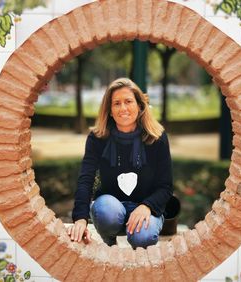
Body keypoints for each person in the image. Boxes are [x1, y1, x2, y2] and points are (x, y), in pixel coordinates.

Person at [67, 78, 173, 249]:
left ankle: (137, 250)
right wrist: (80, 219)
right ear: (109, 110)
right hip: (111, 207)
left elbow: (166, 186)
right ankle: (109, 241)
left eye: (128, 101)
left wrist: (147, 206)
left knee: (143, 237)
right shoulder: (97, 138)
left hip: (147, 208)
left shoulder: (157, 138)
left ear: (139, 106)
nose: (123, 108)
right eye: (116, 103)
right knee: (106, 211)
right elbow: (85, 179)